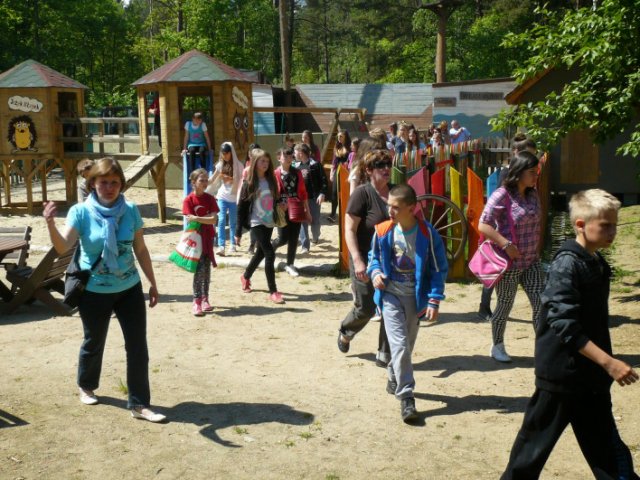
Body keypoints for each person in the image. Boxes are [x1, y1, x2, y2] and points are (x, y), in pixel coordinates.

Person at [501, 189, 639, 479]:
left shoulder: (594, 261)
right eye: (606, 225)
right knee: (529, 456)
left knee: (610, 453)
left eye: (615, 225)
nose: (612, 232)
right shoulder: (568, 263)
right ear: (580, 225)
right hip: (561, 378)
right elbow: (564, 323)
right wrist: (609, 362)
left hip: (590, 379)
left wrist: (602, 366)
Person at [42, 157, 165, 423]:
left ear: (121, 184)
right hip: (94, 291)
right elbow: (63, 247)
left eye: (115, 182)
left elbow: (140, 249)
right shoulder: (81, 212)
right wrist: (50, 224)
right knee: (94, 340)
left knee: (137, 346)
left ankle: (139, 404)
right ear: (92, 183)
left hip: (129, 288)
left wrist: (153, 282)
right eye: (103, 182)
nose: (109, 188)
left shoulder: (130, 210)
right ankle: (86, 385)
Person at [368, 184, 448, 422]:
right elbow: (374, 258)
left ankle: (393, 371)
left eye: (395, 207)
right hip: (390, 296)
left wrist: (434, 299)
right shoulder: (383, 231)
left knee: (407, 345)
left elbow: (438, 268)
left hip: (416, 298)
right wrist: (375, 273)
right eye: (388, 206)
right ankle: (406, 396)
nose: (390, 211)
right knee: (400, 344)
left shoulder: (427, 233)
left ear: (411, 209)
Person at [478, 151, 544, 363]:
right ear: (519, 172)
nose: (535, 176)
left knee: (541, 303)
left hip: (531, 261)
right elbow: (483, 224)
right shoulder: (502, 195)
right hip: (510, 264)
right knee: (505, 304)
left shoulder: (533, 194)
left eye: (537, 172)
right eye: (531, 172)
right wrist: (505, 244)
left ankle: (544, 348)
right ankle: (497, 345)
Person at [336, 149, 392, 367]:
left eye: (388, 164)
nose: (386, 168)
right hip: (364, 258)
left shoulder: (395, 192)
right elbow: (349, 230)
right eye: (380, 165)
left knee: (391, 307)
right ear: (369, 170)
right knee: (366, 307)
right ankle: (346, 331)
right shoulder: (362, 194)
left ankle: (385, 353)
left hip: (391, 261)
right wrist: (358, 260)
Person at [478, 134, 539, 321]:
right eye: (528, 155)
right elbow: (500, 201)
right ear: (517, 154)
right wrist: (504, 242)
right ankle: (484, 306)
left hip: (525, 252)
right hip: (504, 235)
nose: (532, 159)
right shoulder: (508, 176)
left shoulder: (532, 190)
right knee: (494, 271)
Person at [235, 149, 285, 304]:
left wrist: (280, 204)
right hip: (256, 222)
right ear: (255, 163)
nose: (265, 164)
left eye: (267, 161)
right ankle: (273, 291)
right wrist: (238, 232)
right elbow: (241, 208)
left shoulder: (271, 180)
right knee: (270, 254)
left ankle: (245, 276)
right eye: (262, 161)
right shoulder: (249, 183)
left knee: (260, 254)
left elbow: (275, 198)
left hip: (269, 221)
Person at [184, 168, 219, 316]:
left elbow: (213, 219)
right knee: (199, 269)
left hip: (208, 238)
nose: (205, 183)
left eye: (206, 180)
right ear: (193, 182)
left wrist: (197, 218)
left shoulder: (210, 199)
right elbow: (189, 219)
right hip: (195, 239)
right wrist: (204, 218)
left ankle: (205, 299)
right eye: (201, 180)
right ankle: (196, 301)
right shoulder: (189, 200)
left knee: (206, 268)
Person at [272, 147, 311, 278]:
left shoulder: (297, 172)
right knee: (283, 238)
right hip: (281, 209)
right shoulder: (275, 174)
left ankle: (290, 264)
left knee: (294, 238)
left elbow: (303, 192)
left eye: (290, 156)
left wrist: (307, 211)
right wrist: (278, 204)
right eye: (286, 156)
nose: (289, 158)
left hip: (296, 207)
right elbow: (272, 193)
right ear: (279, 158)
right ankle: (269, 249)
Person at [209, 142, 243, 256]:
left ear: (231, 152)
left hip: (234, 198)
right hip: (222, 196)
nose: (225, 155)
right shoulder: (220, 165)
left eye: (227, 153)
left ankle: (233, 244)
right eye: (223, 153)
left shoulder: (238, 165)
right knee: (222, 220)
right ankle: (221, 246)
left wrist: (231, 179)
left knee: (233, 222)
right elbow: (212, 179)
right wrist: (203, 182)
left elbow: (242, 181)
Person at [293, 142, 327, 253]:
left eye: (295, 152)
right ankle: (305, 246)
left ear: (301, 153)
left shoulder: (316, 165)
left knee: (314, 221)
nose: (294, 154)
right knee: (302, 222)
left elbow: (323, 181)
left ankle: (315, 236)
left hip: (313, 198)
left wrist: (322, 193)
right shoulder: (295, 166)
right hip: (301, 199)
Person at [329, 129, 351, 223]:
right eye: (338, 136)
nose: (339, 138)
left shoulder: (350, 147)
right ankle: (333, 214)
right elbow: (334, 161)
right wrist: (331, 172)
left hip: (347, 172)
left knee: (345, 193)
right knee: (334, 192)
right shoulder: (337, 147)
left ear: (345, 137)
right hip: (337, 171)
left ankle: (346, 214)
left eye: (341, 136)